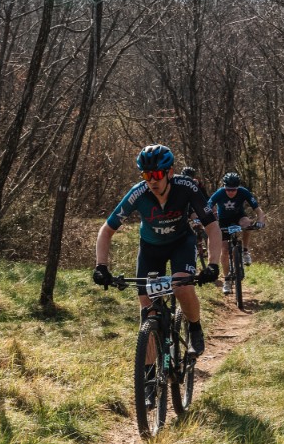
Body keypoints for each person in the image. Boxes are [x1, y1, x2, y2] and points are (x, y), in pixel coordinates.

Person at [93, 145, 221, 361]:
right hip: (150, 249)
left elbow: (212, 227)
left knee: (181, 285)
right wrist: (101, 266)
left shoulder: (187, 187)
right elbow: (106, 230)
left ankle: (195, 327)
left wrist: (213, 264)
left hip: (181, 243)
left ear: (170, 172)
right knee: (147, 310)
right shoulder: (138, 193)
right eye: (146, 175)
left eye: (157, 175)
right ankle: (149, 375)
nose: (152, 180)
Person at [208, 171, 266, 294]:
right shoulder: (219, 193)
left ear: (238, 187)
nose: (230, 192)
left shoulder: (243, 192)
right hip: (223, 221)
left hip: (238, 217)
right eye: (228, 189)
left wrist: (260, 221)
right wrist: (207, 218)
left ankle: (245, 251)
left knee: (248, 223)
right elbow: (207, 206)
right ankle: (227, 280)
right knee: (224, 250)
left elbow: (258, 210)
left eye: (233, 190)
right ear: (224, 187)